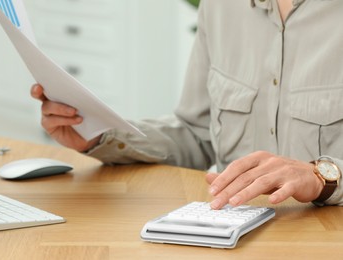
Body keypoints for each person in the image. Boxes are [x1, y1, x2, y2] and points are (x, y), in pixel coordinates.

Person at [31, 0, 343, 209]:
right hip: (231, 237)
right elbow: (196, 133)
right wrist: (102, 134)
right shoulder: (220, 7)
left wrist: (322, 178)